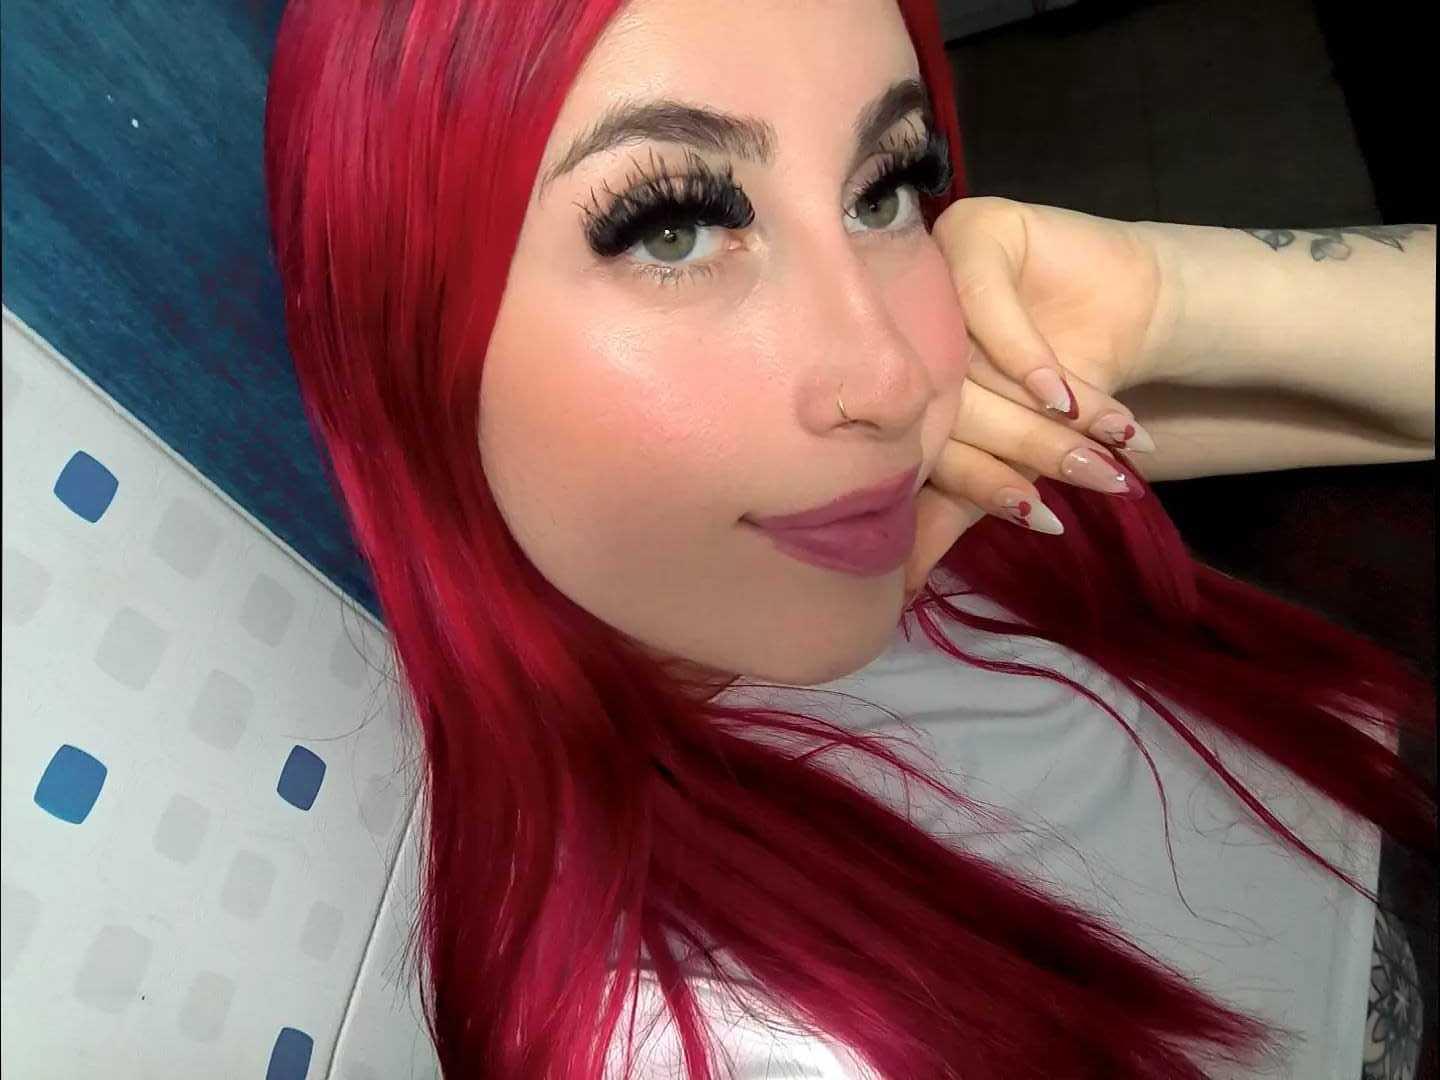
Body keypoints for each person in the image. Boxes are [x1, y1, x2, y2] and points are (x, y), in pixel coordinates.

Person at [261, 1, 1436, 1077]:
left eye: (884, 192)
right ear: (401, 330)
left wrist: (1171, 296)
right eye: (670, 229)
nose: (891, 373)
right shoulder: (706, 1038)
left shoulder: (945, 495)